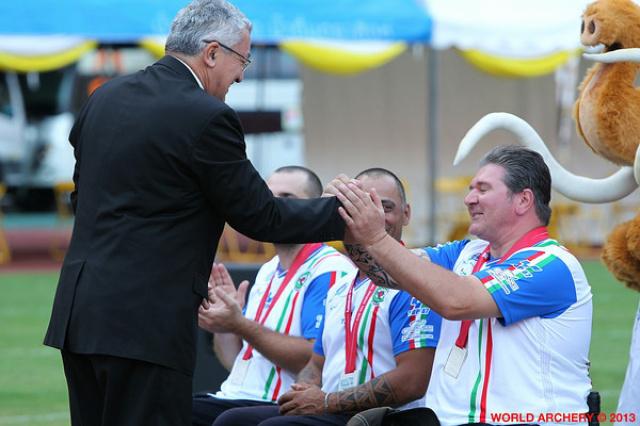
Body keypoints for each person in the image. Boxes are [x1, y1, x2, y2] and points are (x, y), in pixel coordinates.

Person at [42, 1, 346, 425]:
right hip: (146, 322)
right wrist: (349, 214)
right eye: (243, 59)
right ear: (212, 53)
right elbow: (262, 217)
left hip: (80, 313)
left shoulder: (105, 96)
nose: (242, 74)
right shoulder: (207, 116)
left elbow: (83, 197)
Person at [332, 146, 593, 426]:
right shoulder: (467, 252)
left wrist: (374, 235)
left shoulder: (552, 264)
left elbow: (456, 301)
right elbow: (385, 271)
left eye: (482, 189)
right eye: (471, 189)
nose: (469, 199)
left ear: (523, 200)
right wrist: (348, 226)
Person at [211, 167, 442, 426]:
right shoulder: (341, 286)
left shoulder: (414, 282)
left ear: (406, 214)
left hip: (385, 416)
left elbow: (412, 381)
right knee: (232, 421)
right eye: (360, 207)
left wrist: (325, 402)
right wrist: (301, 394)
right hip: (332, 410)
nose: (373, 217)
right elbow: (315, 364)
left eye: (385, 208)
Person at [192, 166, 356, 426]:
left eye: (287, 198)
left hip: (273, 403)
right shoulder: (268, 269)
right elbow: (239, 360)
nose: (275, 206)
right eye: (269, 197)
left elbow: (312, 359)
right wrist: (225, 326)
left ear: (313, 207)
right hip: (234, 395)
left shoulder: (329, 268)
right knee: (162, 402)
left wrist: (241, 325)